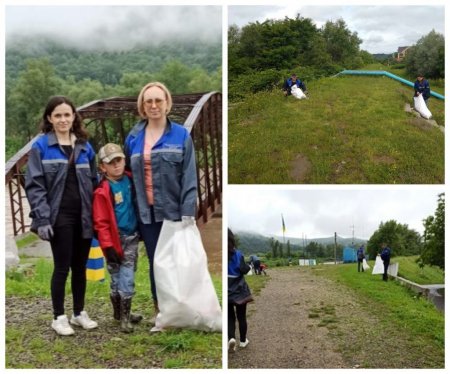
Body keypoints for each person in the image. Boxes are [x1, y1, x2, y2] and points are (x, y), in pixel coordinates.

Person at [124, 82, 197, 325]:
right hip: (146, 213)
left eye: (158, 100)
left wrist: (189, 211)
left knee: (179, 262)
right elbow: (125, 176)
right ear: (142, 106)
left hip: (174, 211)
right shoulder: (133, 138)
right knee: (157, 263)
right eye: (148, 101)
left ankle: (183, 309)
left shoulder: (180, 135)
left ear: (167, 103)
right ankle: (162, 313)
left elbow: (189, 175)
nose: (154, 105)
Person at [25, 96, 98, 336]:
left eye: (67, 114)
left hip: (84, 215)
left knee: (80, 266)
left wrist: (100, 216)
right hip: (59, 216)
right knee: (62, 267)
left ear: (74, 116)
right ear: (49, 118)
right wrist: (42, 218)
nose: (63, 119)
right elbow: (34, 185)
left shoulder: (85, 146)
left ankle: (79, 313)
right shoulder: (41, 146)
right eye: (58, 115)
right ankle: (58, 316)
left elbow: (96, 182)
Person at [93, 143, 143, 333]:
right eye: (111, 162)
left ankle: (123, 316)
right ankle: (120, 315)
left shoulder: (130, 179)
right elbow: (101, 222)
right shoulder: (102, 191)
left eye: (119, 160)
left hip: (130, 237)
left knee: (127, 277)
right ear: (102, 167)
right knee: (116, 277)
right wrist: (107, 246)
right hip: (113, 241)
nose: (116, 165)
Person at [228, 229, 253, 353]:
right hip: (239, 291)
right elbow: (244, 270)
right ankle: (243, 341)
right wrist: (248, 266)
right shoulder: (238, 254)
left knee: (229, 317)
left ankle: (231, 338)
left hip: (227, 292)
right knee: (241, 317)